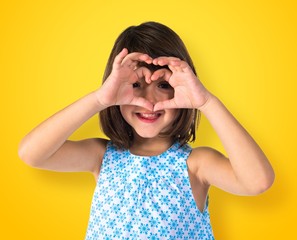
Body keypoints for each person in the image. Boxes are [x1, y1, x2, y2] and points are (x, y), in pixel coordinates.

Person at [18, 21, 275, 239]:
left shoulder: (197, 164)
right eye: (134, 85)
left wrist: (206, 102)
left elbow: (257, 182)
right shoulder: (101, 157)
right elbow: (32, 153)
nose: (149, 100)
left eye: (163, 85)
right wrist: (99, 99)